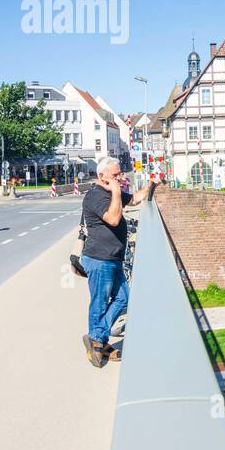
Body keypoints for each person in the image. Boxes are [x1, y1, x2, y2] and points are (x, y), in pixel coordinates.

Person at [80, 156, 160, 368]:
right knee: (98, 304)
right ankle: (99, 345)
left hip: (113, 258)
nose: (120, 177)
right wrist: (116, 191)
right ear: (102, 176)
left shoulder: (110, 193)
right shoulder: (95, 196)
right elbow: (114, 219)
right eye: (115, 175)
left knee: (124, 299)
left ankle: (97, 338)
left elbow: (133, 199)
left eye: (119, 174)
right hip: (99, 259)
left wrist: (152, 186)